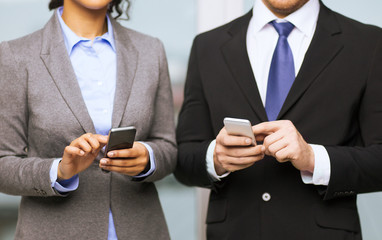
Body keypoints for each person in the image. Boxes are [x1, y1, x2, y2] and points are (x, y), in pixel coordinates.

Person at [175, 0, 382, 239]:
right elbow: (183, 160)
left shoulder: (368, 43)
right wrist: (216, 158)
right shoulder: (207, 46)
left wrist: (314, 159)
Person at [0, 0, 176, 239]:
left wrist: (148, 158)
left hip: (142, 229)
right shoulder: (15, 56)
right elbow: (3, 163)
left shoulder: (150, 50)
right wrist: (59, 171)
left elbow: (168, 146)